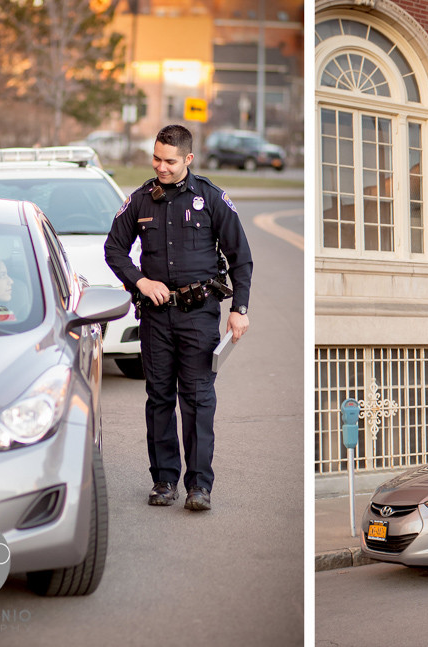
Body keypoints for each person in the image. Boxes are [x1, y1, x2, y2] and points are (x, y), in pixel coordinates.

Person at [104, 124, 252, 512]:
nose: (161, 167)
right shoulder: (140, 200)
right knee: (159, 398)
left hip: (199, 315)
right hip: (155, 319)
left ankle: (199, 486)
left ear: (188, 158)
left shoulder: (211, 198)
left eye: (169, 161)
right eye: (156, 158)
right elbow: (114, 248)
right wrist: (140, 279)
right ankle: (164, 480)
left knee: (199, 399)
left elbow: (241, 257)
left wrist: (239, 310)